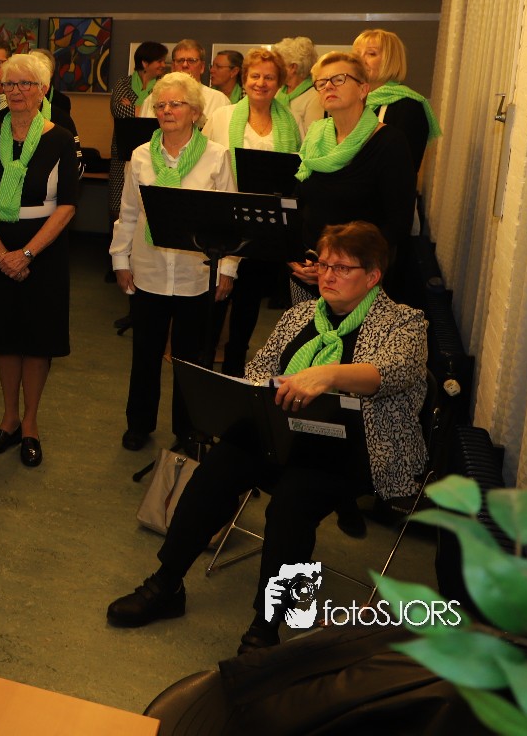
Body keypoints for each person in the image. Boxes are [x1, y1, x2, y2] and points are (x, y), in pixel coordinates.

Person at [107, 221, 427, 655]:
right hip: (284, 434)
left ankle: (268, 625)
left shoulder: (403, 322)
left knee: (293, 501)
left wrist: (328, 375)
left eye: (342, 268)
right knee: (217, 469)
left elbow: (393, 372)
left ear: (372, 276)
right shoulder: (301, 315)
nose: (327, 275)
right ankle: (166, 585)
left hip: (357, 451)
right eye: (323, 265)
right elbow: (258, 373)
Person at [111, 72, 238, 452]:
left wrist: (228, 269)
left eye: (175, 104)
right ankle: (138, 424)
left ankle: (188, 429)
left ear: (195, 112)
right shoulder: (140, 156)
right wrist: (120, 259)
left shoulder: (217, 156)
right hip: (148, 269)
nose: (166, 110)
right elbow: (128, 213)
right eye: (161, 105)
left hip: (195, 275)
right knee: (145, 354)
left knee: (190, 359)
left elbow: (229, 221)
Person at [0, 53, 81, 467]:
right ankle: (9, 419)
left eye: (25, 84)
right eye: (9, 84)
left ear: (43, 90)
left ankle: (30, 423)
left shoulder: (61, 139)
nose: (16, 91)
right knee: (4, 338)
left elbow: (67, 205)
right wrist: (1, 254)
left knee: (36, 341)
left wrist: (27, 253)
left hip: (43, 253)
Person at [203, 47, 302, 375]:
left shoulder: (291, 122)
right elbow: (205, 163)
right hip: (225, 222)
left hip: (263, 227)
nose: (261, 82)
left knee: (247, 306)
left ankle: (234, 371)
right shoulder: (222, 117)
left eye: (269, 77)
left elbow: (296, 172)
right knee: (215, 305)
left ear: (280, 83)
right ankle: (204, 370)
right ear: (244, 79)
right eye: (255, 76)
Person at [290, 52, 416, 305]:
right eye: (321, 82)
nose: (328, 86)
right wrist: (294, 256)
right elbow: (298, 203)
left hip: (359, 276)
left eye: (339, 79)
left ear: (363, 89)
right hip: (308, 270)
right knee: (305, 332)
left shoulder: (390, 142)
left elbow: (398, 223)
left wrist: (338, 267)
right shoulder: (315, 137)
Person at [352, 28, 441, 178]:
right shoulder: (350, 101)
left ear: (390, 60)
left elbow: (405, 165)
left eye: (371, 54)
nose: (361, 60)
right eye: (356, 54)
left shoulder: (409, 105)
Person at [108, 40, 169, 225]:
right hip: (122, 153)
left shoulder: (164, 87)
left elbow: (159, 115)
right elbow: (118, 110)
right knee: (118, 207)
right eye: (159, 61)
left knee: (147, 205)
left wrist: (135, 107)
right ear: (145, 63)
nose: (163, 65)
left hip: (154, 154)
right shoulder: (124, 83)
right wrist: (146, 108)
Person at [138, 40, 229, 120]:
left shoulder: (219, 100)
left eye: (192, 60)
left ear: (202, 67)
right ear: (173, 67)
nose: (185, 65)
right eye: (180, 60)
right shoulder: (152, 100)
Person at [274, 36, 322, 134]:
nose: (274, 69)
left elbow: (312, 136)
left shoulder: (315, 96)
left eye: (278, 65)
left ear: (293, 68)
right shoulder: (278, 90)